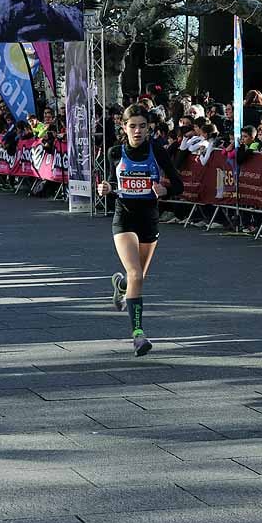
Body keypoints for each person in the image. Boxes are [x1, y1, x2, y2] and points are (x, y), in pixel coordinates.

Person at [98, 105, 184, 357]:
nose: (137, 131)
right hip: (123, 218)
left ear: (149, 128)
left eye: (142, 126)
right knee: (136, 273)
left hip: (149, 219)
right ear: (123, 127)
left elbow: (178, 183)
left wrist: (166, 190)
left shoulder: (157, 150)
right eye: (132, 126)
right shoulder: (115, 152)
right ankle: (138, 335)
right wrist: (105, 189)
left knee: (136, 278)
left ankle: (120, 285)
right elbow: (107, 183)